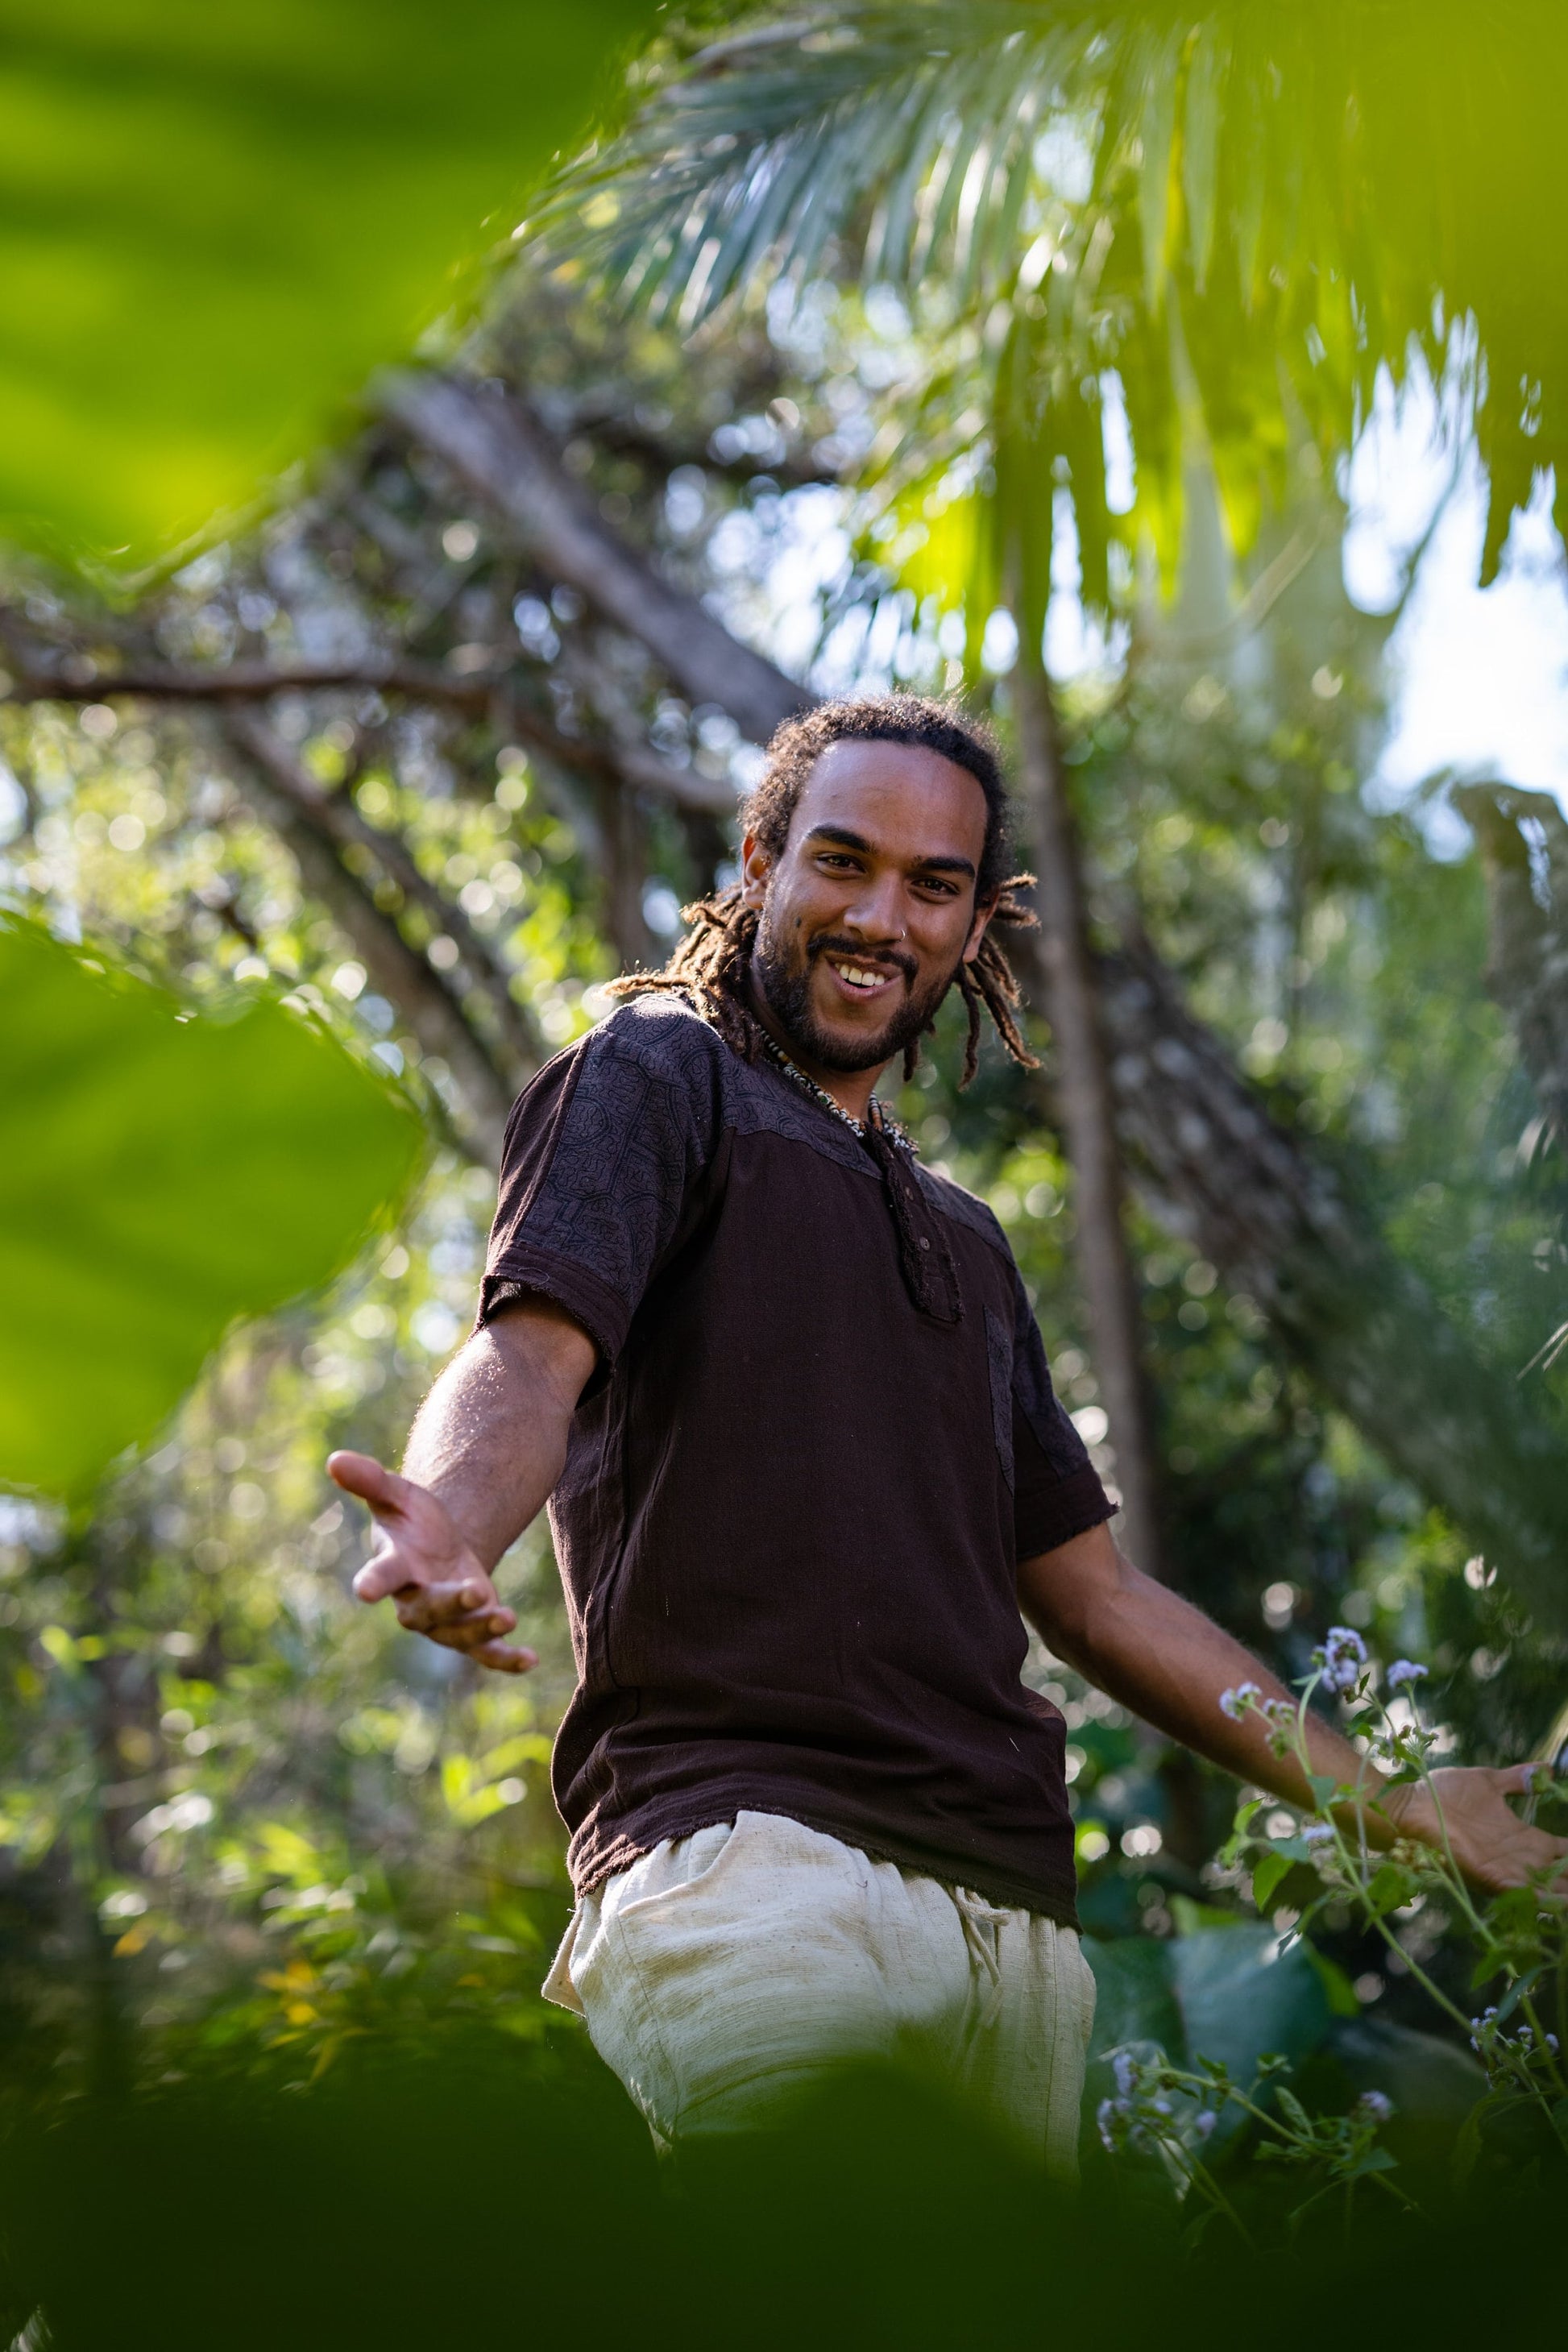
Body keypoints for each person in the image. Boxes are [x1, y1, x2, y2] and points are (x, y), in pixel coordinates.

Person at [329, 695, 1566, 2167]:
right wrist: (452, 1515)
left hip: (1008, 1926)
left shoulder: (963, 1242)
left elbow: (1100, 1603)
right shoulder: (659, 1073)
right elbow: (530, 1354)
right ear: (761, 860)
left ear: (977, 924)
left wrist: (1394, 1806)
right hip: (754, 1864)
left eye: (934, 885)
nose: (880, 916)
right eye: (842, 861)